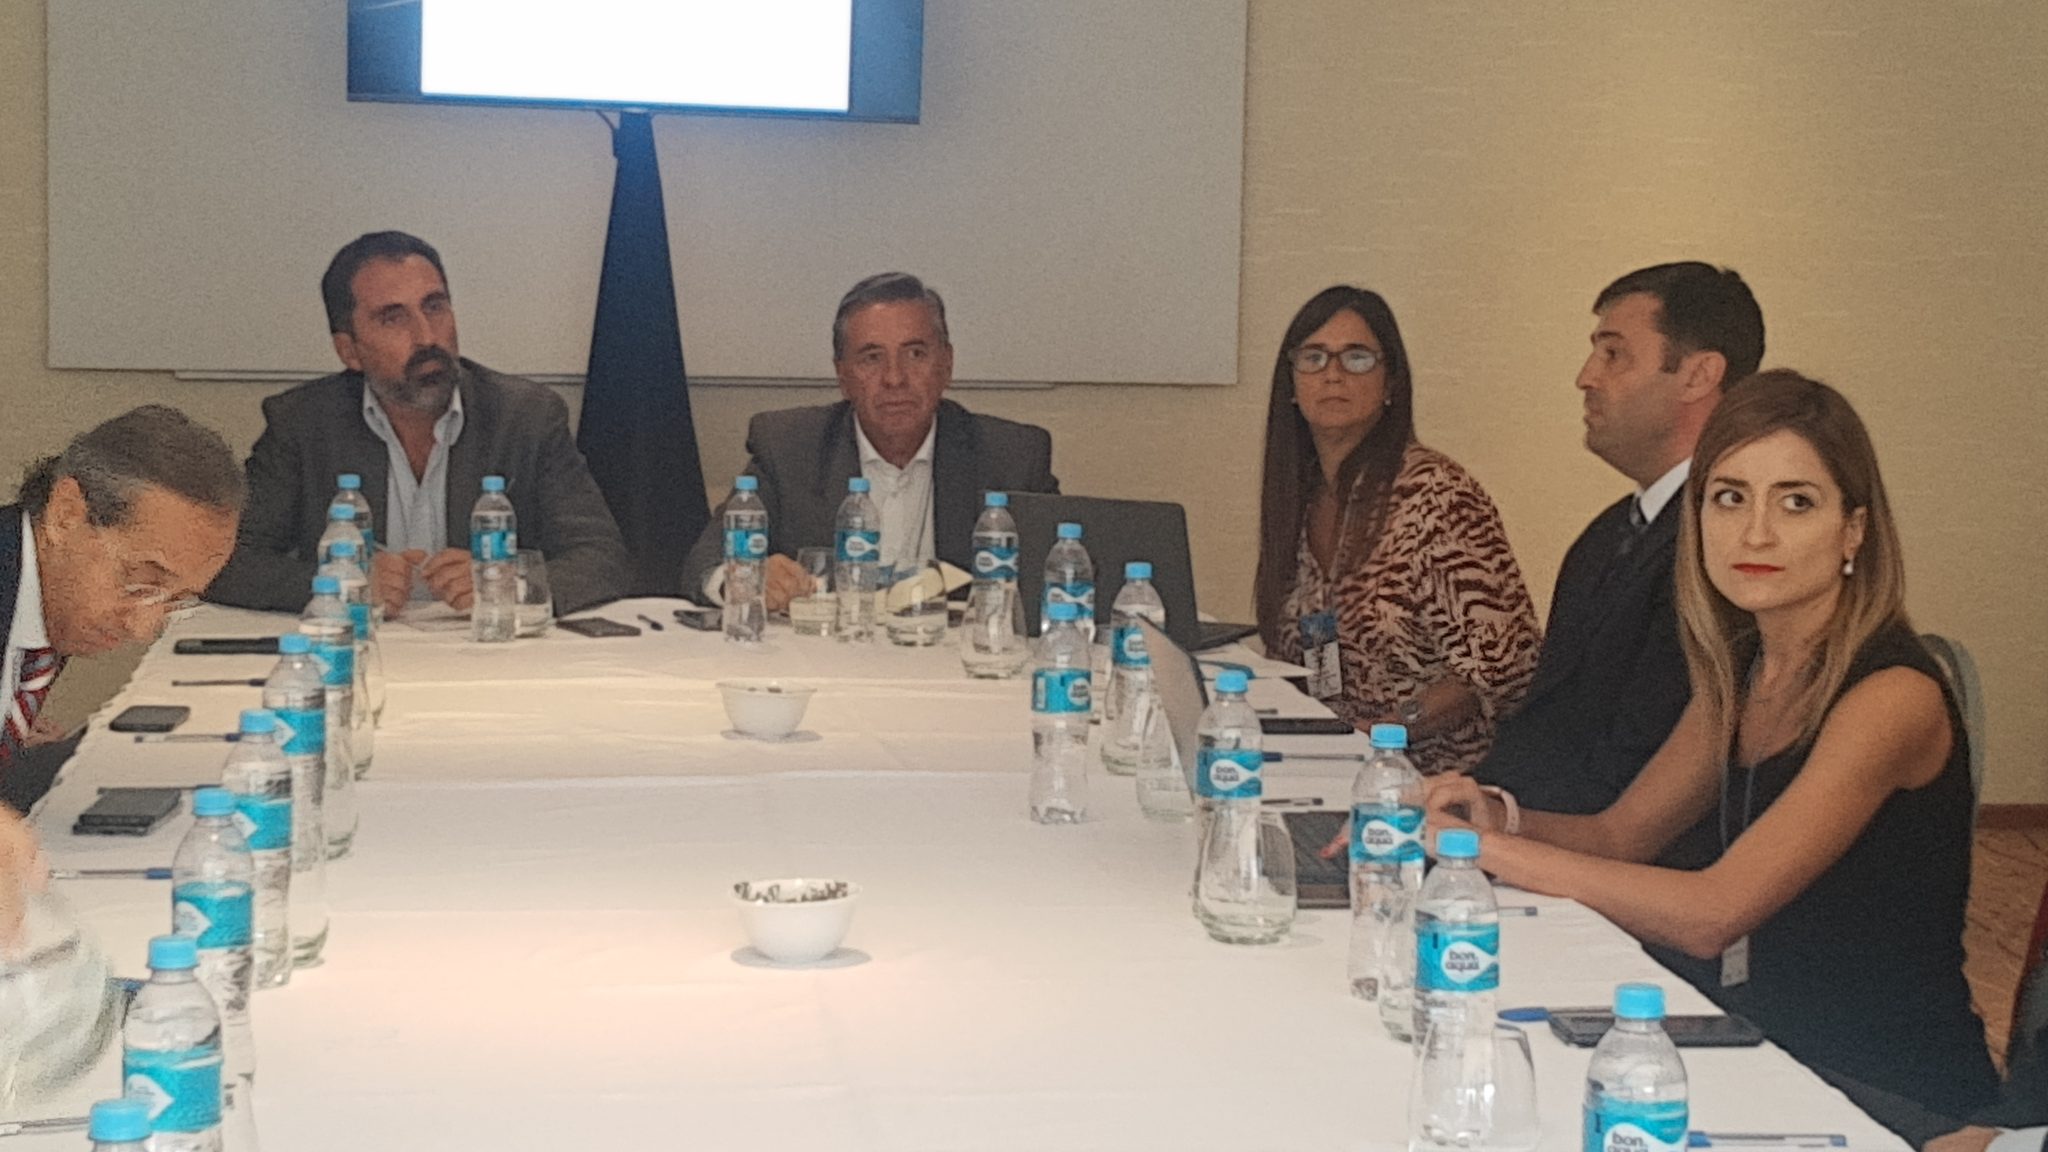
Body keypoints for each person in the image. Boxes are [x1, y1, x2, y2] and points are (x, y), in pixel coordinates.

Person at [1425, 371, 1999, 1136]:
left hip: (1886, 1094)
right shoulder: (1745, 667)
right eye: (1729, 498)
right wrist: (1498, 815)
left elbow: (1712, 915)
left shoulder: (1894, 696)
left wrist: (1483, 852)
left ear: (1854, 530)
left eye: (1796, 502)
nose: (1755, 534)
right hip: (1762, 1054)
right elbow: (1622, 835)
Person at [206, 231, 630, 619]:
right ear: (349, 350)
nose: (427, 337)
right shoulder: (303, 423)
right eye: (393, 318)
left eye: (434, 306)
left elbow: (602, 558)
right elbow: (224, 560)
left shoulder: (525, 417)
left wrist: (508, 583)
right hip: (359, 649)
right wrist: (341, 584)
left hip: (489, 653)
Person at [1470, 262, 1765, 815]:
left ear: (1698, 376)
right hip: (1540, 824)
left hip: (1630, 846)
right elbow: (1546, 726)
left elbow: (1633, 765)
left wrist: (1491, 821)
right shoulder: (1607, 535)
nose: (1586, 377)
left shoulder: (1724, 545)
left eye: (1613, 354)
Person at [1254, 287, 1540, 775]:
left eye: (1357, 357)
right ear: (1292, 385)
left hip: (1437, 775)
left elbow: (1504, 667)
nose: (1333, 374)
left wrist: (1389, 729)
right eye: (1314, 357)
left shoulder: (1438, 496)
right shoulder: (1302, 497)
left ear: (1391, 383)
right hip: (1334, 761)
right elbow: (1315, 653)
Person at [680, 272, 1059, 609]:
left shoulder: (1013, 457)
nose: (895, 378)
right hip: (829, 656)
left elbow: (1060, 582)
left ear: (947, 365)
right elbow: (704, 563)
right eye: (872, 358)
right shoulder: (789, 448)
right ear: (842, 376)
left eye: (915, 354)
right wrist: (746, 579)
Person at [3, 406, 245, 813]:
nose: (142, 627)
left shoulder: (46, 584)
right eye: (139, 584)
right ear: (66, 514)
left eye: (176, 600)